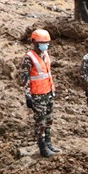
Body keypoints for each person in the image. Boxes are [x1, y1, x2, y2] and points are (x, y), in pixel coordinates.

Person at [20, 29, 58, 158]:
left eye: (47, 43)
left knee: (49, 120)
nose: (45, 45)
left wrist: (52, 90)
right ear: (34, 43)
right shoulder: (28, 58)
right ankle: (42, 147)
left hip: (48, 91)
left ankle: (48, 143)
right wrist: (28, 95)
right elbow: (25, 78)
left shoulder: (45, 54)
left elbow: (47, 73)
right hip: (37, 95)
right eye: (42, 43)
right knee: (40, 122)